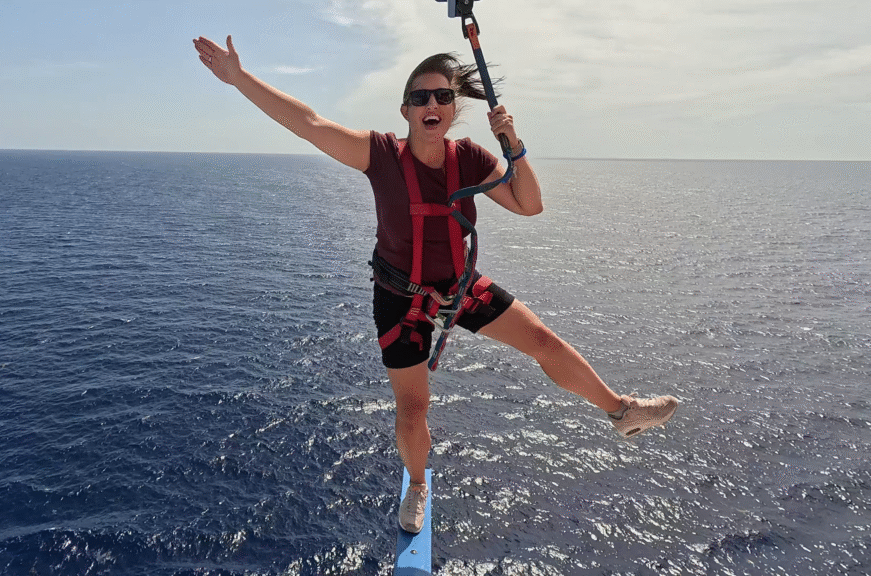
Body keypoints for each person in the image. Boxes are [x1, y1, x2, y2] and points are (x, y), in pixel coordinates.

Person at [194, 35, 679, 534]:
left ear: (453, 109)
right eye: (421, 96)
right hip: (400, 299)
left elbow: (529, 204)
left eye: (443, 96)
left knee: (542, 341)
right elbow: (310, 124)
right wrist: (238, 78)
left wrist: (512, 142)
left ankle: (622, 411)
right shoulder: (379, 153)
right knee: (413, 408)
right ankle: (419, 485)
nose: (433, 104)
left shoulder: (469, 158)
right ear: (405, 108)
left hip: (458, 287)